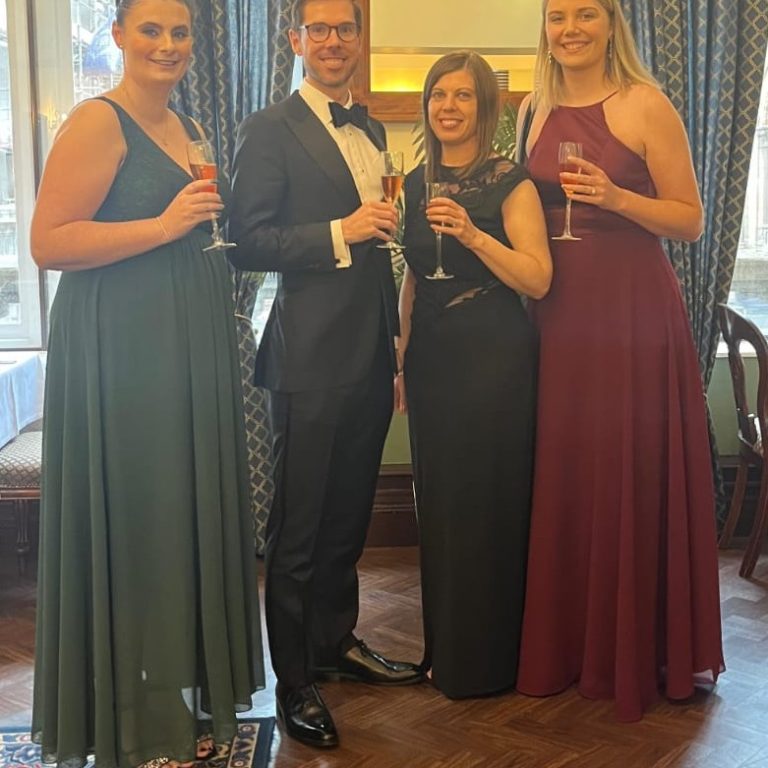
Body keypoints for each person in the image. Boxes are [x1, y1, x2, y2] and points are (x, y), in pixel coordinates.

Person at [29, 1, 264, 766]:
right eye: (152, 30)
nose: (168, 45)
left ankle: (171, 691)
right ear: (120, 36)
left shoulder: (187, 126)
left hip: (184, 340)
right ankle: (132, 714)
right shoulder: (99, 122)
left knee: (177, 509)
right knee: (141, 512)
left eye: (181, 32)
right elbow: (48, 241)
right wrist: (165, 227)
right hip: (122, 349)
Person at [515, 0, 724, 721]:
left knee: (627, 464)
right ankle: (569, 645)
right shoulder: (531, 110)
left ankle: (634, 648)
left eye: (586, 13)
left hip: (633, 310)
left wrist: (615, 197)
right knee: (569, 466)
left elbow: (691, 219)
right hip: (559, 311)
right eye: (557, 15)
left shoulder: (644, 102)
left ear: (612, 25)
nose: (569, 27)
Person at [228, 0, 423, 750]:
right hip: (307, 359)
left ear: (357, 37)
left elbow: (385, 250)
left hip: (372, 353)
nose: (335, 40)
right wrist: (339, 232)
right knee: (300, 529)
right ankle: (294, 678)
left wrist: (397, 342)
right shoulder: (267, 128)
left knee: (348, 518)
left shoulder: (371, 128)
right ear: (297, 40)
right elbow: (247, 242)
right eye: (321, 30)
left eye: (346, 28)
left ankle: (336, 645)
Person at [397, 51, 552, 699]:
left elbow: (538, 278)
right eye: (439, 95)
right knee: (439, 502)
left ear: (485, 109)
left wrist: (473, 236)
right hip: (432, 358)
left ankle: (493, 660)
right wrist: (400, 358)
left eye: (463, 96)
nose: (449, 107)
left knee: (487, 502)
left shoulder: (510, 182)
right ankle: (448, 650)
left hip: (493, 356)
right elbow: (410, 274)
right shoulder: (410, 183)